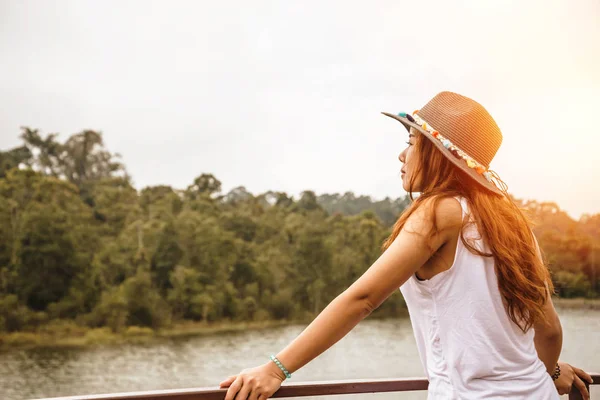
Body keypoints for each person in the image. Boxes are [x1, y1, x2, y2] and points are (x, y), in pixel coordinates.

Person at [219, 91, 593, 399]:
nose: (402, 154)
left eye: (411, 142)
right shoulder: (513, 223)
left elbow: (363, 298)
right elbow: (550, 332)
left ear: (438, 154)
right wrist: (548, 374)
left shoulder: (440, 211)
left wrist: (275, 369)